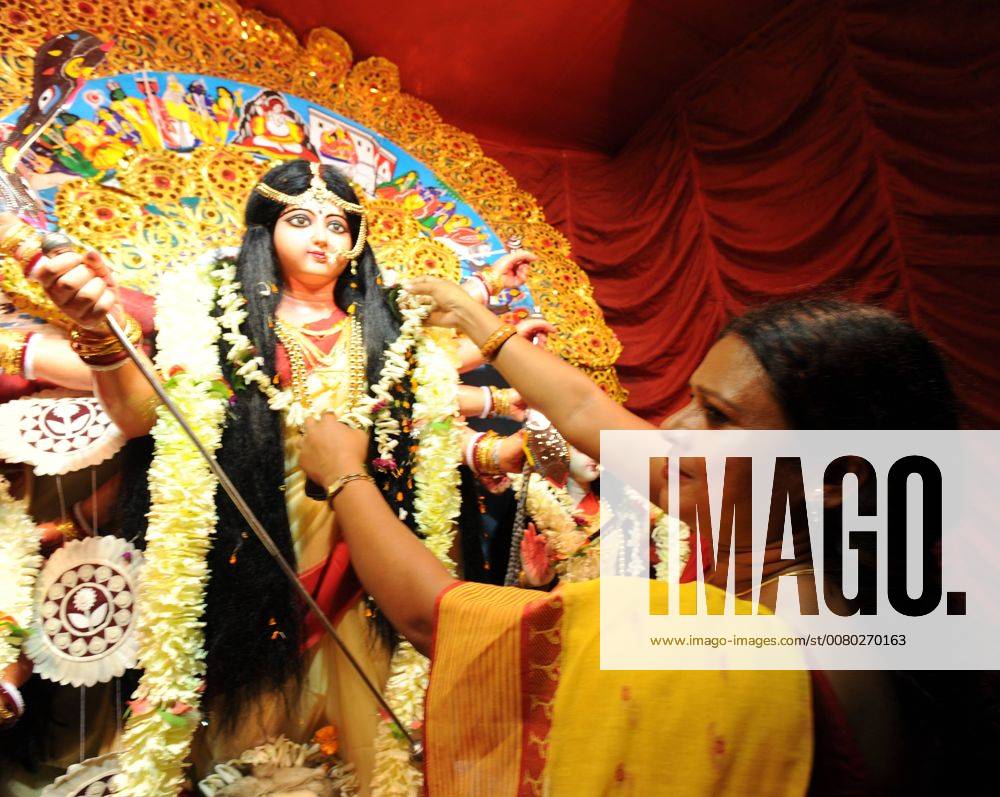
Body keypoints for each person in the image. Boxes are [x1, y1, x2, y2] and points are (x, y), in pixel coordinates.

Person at [301, 281, 974, 794]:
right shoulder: (782, 550)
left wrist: (343, 475)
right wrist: (482, 322)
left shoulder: (738, 637)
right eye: (691, 397)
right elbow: (587, 409)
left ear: (835, 479)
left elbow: (434, 615)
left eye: (716, 415)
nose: (673, 428)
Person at [0, 160, 533, 793]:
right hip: (245, 542)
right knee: (245, 719)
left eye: (339, 224)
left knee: (371, 725)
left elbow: (431, 413)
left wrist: (489, 324)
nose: (323, 237)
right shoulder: (212, 317)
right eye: (300, 219)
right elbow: (143, 415)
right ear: (264, 231)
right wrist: (98, 331)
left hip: (364, 545)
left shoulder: (389, 332)